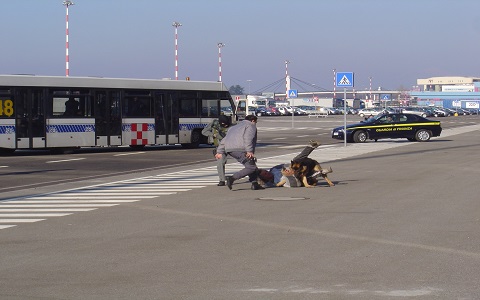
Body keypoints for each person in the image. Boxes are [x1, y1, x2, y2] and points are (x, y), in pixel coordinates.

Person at [215, 115, 263, 190]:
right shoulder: (250, 126)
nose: (255, 123)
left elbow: (224, 140)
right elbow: (248, 138)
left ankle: (255, 184)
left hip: (230, 150)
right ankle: (232, 178)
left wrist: (219, 151)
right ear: (253, 120)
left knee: (250, 164)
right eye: (256, 122)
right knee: (251, 167)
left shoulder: (234, 127)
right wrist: (249, 151)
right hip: (240, 149)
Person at [257, 140, 333, 188]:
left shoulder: (274, 171)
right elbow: (282, 182)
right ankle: (320, 172)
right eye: (265, 174)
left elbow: (284, 168)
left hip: (296, 168)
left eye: (265, 172)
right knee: (305, 173)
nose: (266, 173)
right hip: (295, 176)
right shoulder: (273, 182)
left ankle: (311, 147)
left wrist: (287, 169)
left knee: (296, 161)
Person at [202, 115, 230, 186]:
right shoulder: (214, 123)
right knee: (220, 163)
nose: (225, 125)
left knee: (245, 160)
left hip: (231, 146)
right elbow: (204, 131)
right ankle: (222, 180)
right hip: (220, 147)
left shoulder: (232, 126)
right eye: (224, 124)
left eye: (226, 124)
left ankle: (254, 177)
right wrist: (213, 135)